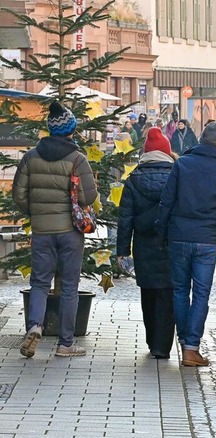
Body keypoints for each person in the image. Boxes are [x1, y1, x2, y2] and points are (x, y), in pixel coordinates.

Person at [13, 101, 98, 358]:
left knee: (39, 282)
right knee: (70, 286)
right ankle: (65, 344)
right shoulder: (77, 159)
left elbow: (18, 193)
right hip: (70, 232)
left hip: (42, 230)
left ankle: (35, 325)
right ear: (71, 130)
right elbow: (88, 197)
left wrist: (35, 212)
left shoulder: (31, 157)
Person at [156, 120, 216, 366]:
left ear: (202, 139)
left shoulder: (182, 164)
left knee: (180, 291)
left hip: (179, 236)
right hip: (207, 240)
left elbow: (166, 201)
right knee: (201, 294)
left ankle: (186, 343)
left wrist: (161, 232)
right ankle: (191, 347)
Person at [116, 127, 176, 359]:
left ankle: (152, 341)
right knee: (167, 294)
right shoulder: (176, 176)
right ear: (166, 153)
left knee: (148, 293)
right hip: (170, 243)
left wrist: (122, 251)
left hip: (143, 244)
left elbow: (125, 219)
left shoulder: (133, 180)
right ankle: (163, 346)